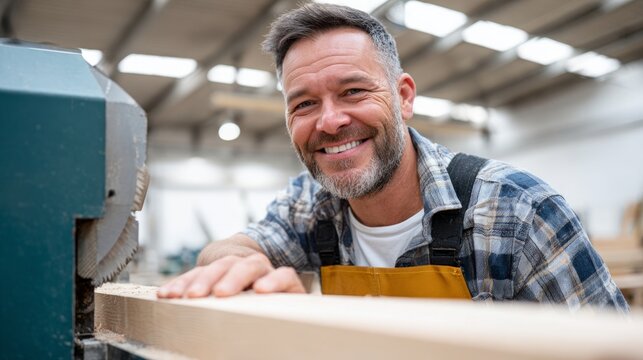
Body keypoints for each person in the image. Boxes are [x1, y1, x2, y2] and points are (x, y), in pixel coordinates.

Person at [158, 3, 628, 311]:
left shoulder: (519, 212)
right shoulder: (311, 204)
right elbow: (231, 249)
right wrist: (235, 266)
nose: (329, 121)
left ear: (403, 97)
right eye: (303, 104)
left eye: (353, 91)